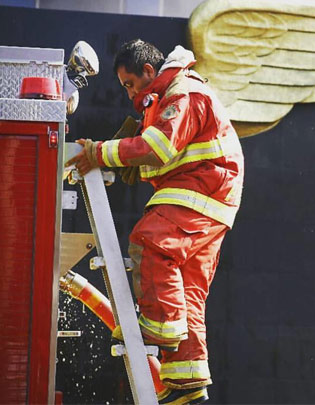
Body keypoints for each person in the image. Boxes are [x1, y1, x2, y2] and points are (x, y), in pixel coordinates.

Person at [66, 39, 244, 404]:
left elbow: (156, 147)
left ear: (149, 71)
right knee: (187, 290)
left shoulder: (182, 93)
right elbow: (155, 151)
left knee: (151, 240)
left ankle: (156, 329)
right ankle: (187, 383)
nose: (130, 94)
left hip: (202, 189)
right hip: (213, 194)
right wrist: (107, 154)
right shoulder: (170, 96)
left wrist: (99, 154)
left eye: (130, 84)